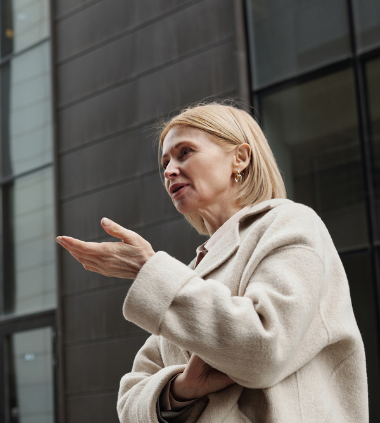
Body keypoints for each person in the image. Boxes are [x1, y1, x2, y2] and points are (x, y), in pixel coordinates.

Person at [56, 103, 368, 422]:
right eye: (164, 162)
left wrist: (146, 268)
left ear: (240, 158)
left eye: (184, 152)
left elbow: (265, 347)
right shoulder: (191, 272)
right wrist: (180, 388)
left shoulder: (290, 223)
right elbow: (129, 403)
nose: (169, 170)